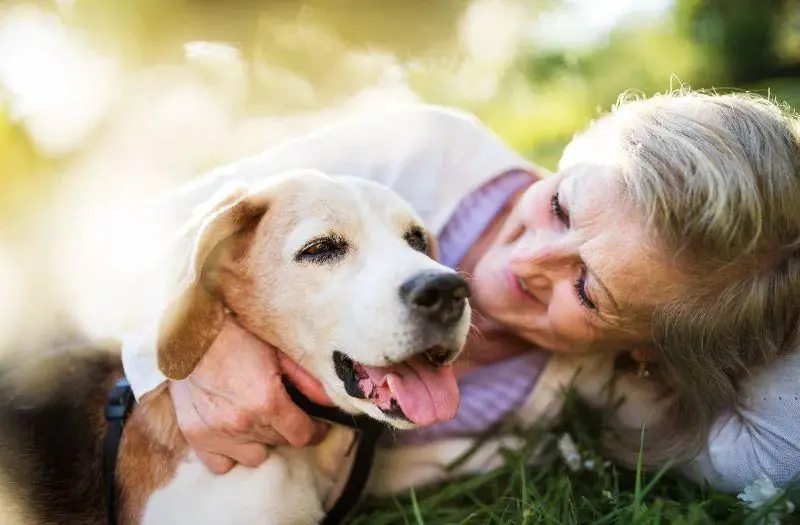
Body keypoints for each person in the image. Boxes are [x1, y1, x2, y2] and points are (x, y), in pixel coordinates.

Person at [122, 90, 800, 493]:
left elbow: (779, 455)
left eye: (588, 291)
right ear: (573, 153)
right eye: (561, 206)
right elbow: (123, 239)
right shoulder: (422, 150)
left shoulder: (619, 389)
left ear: (648, 347)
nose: (527, 261)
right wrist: (186, 350)